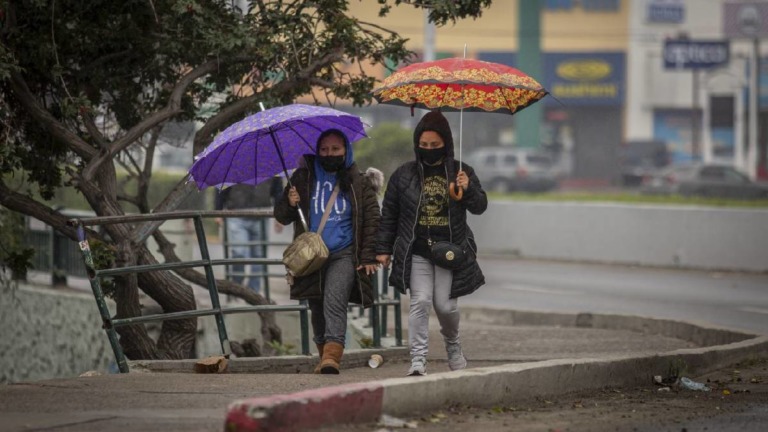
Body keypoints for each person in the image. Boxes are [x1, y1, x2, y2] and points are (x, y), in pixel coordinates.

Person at [375, 110, 487, 376]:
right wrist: (382, 249)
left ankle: (453, 344)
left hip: (450, 251)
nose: (428, 150)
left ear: (445, 144)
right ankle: (418, 359)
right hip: (418, 251)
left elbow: (480, 206)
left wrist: (468, 187)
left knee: (446, 306)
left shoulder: (462, 171)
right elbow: (389, 214)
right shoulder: (403, 175)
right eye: (423, 146)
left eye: (434, 146)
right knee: (420, 302)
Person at [273, 128, 382, 375]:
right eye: (324, 150)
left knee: (334, 299)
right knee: (316, 305)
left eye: (335, 149)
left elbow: (373, 219)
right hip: (311, 256)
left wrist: (368, 255)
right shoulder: (302, 177)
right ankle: (323, 356)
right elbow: (281, 215)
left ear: (346, 150)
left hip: (344, 253)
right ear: (316, 151)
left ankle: (333, 356)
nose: (329, 154)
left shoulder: (358, 181)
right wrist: (290, 203)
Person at [215, 177, 283, 294]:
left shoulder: (270, 163)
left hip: (261, 213)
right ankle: (236, 285)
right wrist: (218, 210)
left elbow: (278, 190)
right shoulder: (233, 162)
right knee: (239, 252)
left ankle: (253, 291)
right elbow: (221, 185)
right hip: (236, 213)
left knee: (259, 255)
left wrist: (280, 215)